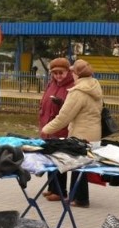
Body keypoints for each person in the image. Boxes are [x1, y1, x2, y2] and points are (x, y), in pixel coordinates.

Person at [41, 59, 103, 208]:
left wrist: (46, 129)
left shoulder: (78, 92)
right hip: (93, 132)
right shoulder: (94, 85)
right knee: (80, 167)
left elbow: (64, 117)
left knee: (77, 167)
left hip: (81, 134)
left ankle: (81, 199)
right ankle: (78, 197)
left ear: (75, 73)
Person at [38, 57, 75, 201]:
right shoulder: (51, 84)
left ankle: (61, 191)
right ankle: (52, 187)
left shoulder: (72, 86)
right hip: (48, 126)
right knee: (49, 158)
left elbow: (70, 108)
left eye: (61, 73)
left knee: (59, 159)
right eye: (55, 73)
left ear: (67, 72)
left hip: (61, 128)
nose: (58, 76)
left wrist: (61, 103)